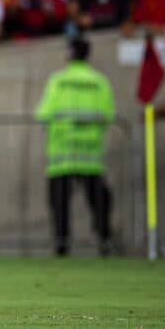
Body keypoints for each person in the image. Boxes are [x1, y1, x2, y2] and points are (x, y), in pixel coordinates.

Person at [35, 37, 116, 256]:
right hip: (90, 154)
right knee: (99, 201)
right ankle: (105, 240)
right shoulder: (100, 82)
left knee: (59, 203)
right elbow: (108, 115)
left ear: (68, 54)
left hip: (62, 155)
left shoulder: (58, 80)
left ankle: (62, 245)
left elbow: (43, 113)